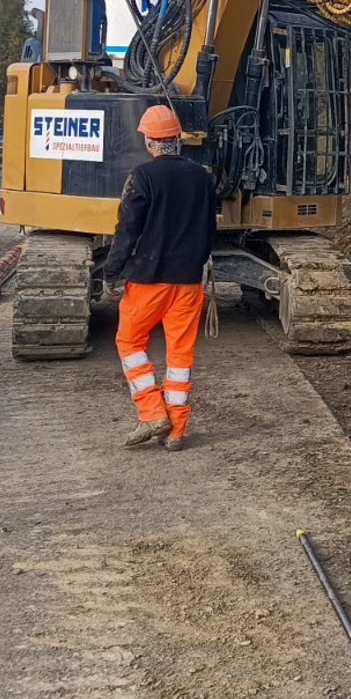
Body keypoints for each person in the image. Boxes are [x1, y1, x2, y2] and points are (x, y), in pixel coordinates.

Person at [104, 104, 217, 452]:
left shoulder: (143, 177)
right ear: (178, 139)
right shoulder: (203, 177)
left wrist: (112, 270)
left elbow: (127, 230)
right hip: (188, 281)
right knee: (179, 356)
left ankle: (152, 412)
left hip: (149, 280)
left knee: (130, 343)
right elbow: (209, 228)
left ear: (151, 143)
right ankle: (176, 430)